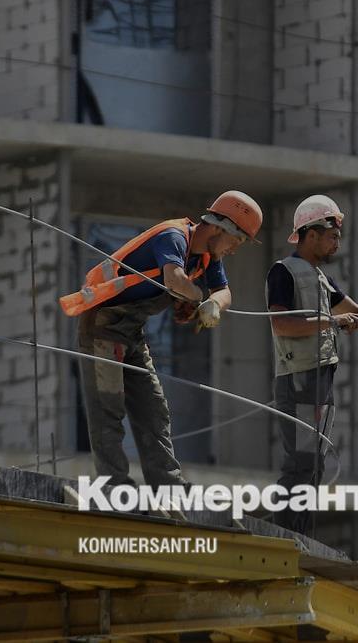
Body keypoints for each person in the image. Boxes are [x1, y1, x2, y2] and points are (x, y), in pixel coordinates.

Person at [60, 191, 263, 502]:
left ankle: (168, 488)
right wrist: (197, 298)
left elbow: (224, 292)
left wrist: (214, 305)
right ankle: (114, 486)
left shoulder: (208, 256)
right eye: (236, 240)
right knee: (108, 411)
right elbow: (174, 280)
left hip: (131, 332)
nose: (234, 249)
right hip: (102, 327)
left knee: (153, 410)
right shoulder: (173, 236)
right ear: (220, 227)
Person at [266, 194, 358, 534]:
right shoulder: (284, 272)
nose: (337, 243)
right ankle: (286, 533)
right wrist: (332, 322)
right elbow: (281, 325)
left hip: (319, 382)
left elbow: (357, 315)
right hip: (298, 380)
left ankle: (299, 534)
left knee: (314, 464)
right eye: (332, 236)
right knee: (302, 462)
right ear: (311, 234)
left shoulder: (321, 280)